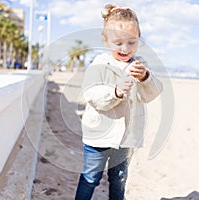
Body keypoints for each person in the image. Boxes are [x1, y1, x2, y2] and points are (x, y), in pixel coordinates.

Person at [75, 4, 163, 200]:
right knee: (90, 178)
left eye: (132, 42)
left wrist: (145, 78)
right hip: (98, 136)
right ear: (105, 40)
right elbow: (91, 94)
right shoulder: (100, 63)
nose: (125, 49)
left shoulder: (139, 65)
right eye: (118, 43)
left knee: (119, 178)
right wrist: (115, 92)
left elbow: (152, 94)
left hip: (124, 138)